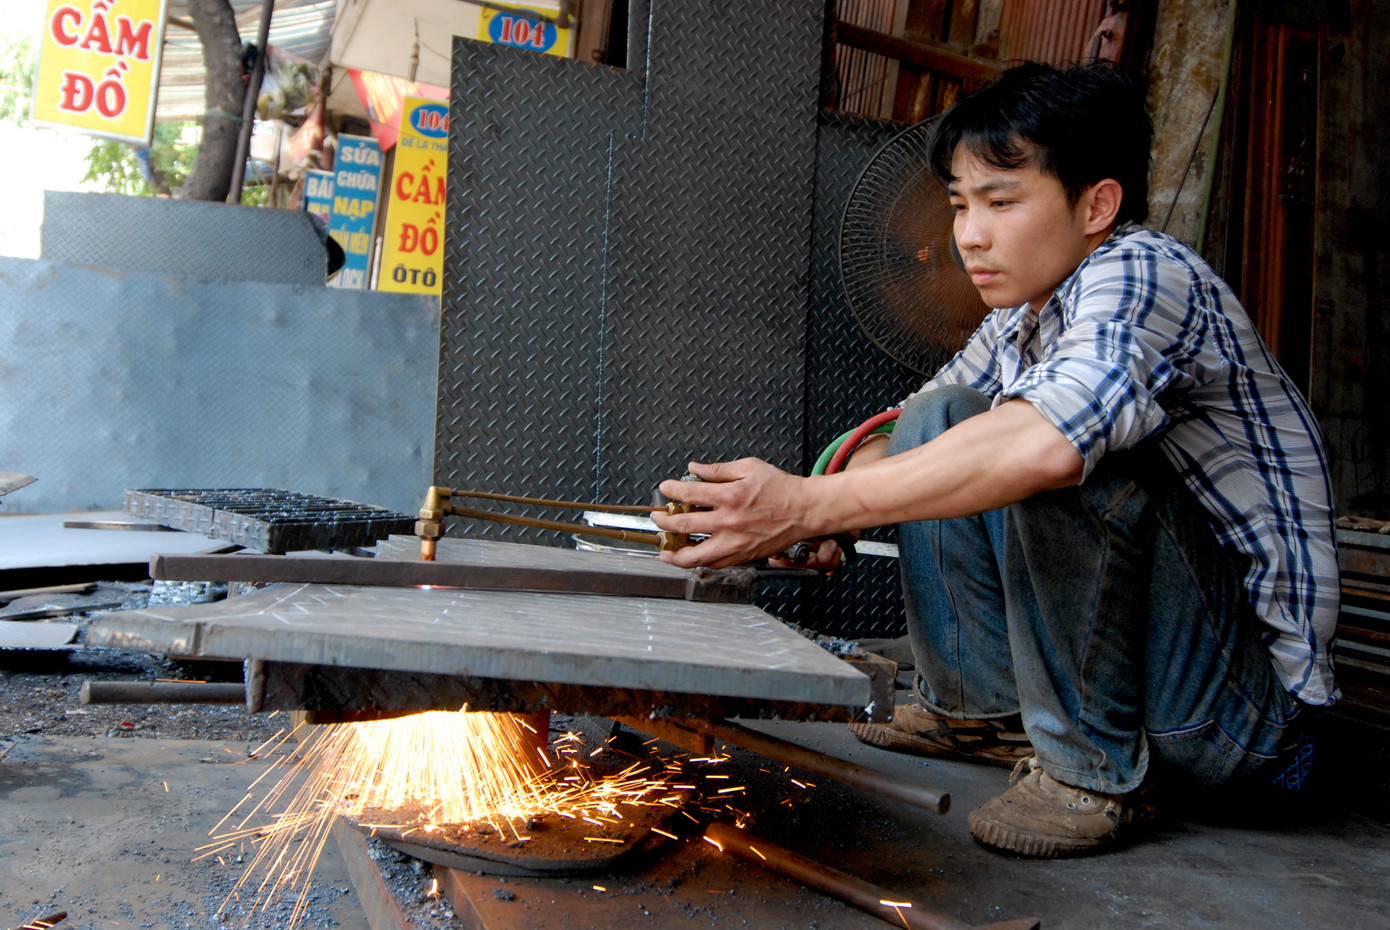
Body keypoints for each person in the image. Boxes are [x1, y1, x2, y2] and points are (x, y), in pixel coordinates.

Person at [650, 62, 1339, 858]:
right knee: (943, 419)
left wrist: (810, 505)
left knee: (1055, 445)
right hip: (1164, 688)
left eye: (1001, 202)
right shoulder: (1022, 318)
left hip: (1243, 727)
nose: (968, 236)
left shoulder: (1144, 271)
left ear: (1097, 205)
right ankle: (974, 713)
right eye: (959, 205)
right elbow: (903, 434)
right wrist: (814, 500)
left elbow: (1044, 443)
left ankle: (1090, 773)